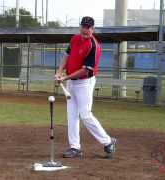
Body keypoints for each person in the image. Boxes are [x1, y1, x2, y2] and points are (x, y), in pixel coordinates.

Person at [55, 16, 117, 159]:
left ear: (92, 29)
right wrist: (59, 71)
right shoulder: (75, 39)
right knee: (71, 116)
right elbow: (67, 55)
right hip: (71, 82)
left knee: (85, 115)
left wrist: (65, 78)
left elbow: (85, 70)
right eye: (84, 26)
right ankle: (75, 147)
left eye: (88, 27)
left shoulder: (94, 46)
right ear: (80, 27)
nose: (86, 29)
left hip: (84, 83)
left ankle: (108, 142)